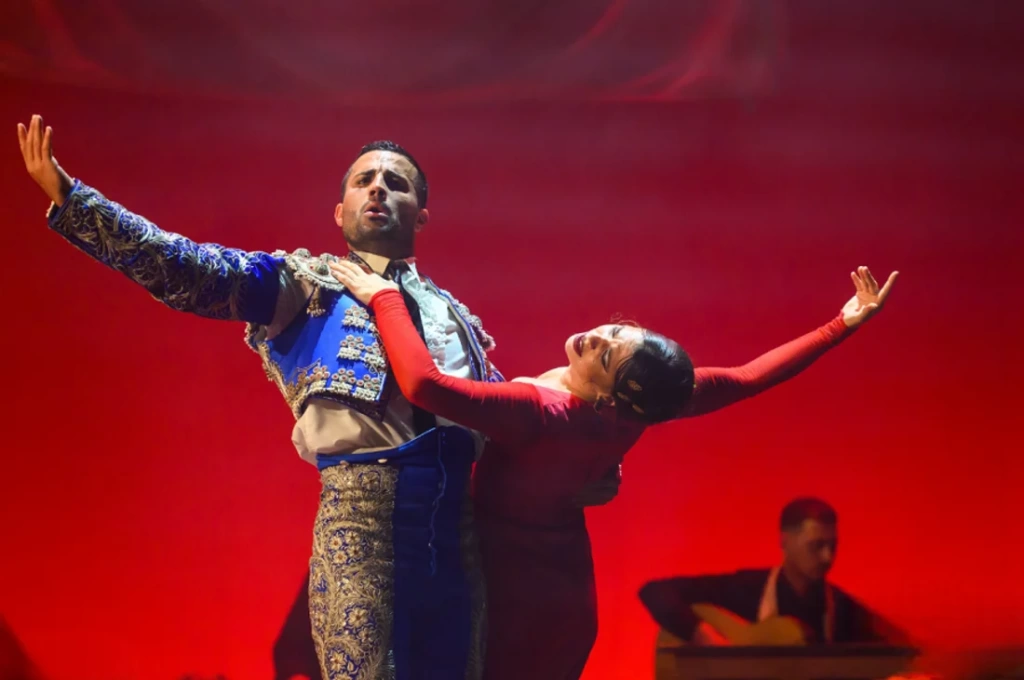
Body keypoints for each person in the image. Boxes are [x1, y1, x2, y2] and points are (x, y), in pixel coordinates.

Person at [16, 114, 622, 680]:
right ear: (340, 211)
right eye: (365, 181)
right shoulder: (302, 285)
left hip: (458, 533)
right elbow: (189, 269)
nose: (379, 188)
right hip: (360, 523)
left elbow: (507, 418)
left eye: (396, 182)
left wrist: (581, 468)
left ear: (422, 214)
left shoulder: (456, 317)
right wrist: (75, 201)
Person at [327, 259, 899, 679]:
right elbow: (750, 377)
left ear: (609, 400)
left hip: (517, 588)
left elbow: (425, 385)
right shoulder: (654, 401)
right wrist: (841, 323)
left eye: (604, 355)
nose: (596, 336)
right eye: (617, 331)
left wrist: (384, 298)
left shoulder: (541, 412)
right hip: (566, 586)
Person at [638, 497, 910, 646]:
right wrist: (704, 636)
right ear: (785, 541)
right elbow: (655, 591)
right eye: (816, 546)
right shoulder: (745, 590)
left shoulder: (841, 609)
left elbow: (899, 644)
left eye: (832, 546)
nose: (828, 557)